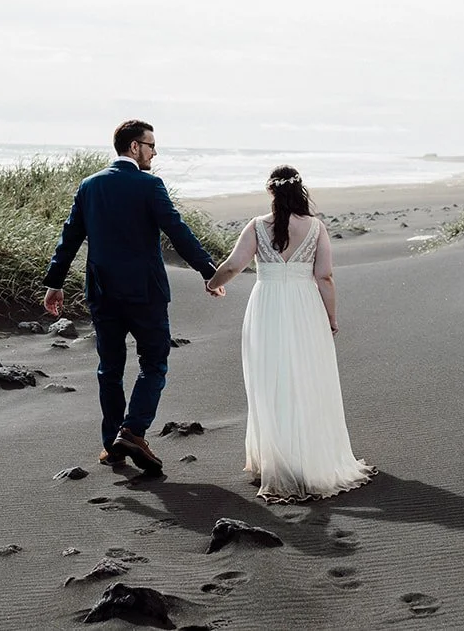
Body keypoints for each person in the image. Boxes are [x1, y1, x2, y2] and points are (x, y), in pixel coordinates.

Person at [43, 119, 222, 474]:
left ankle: (113, 446)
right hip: (145, 293)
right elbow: (178, 231)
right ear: (134, 147)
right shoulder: (149, 185)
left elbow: (70, 237)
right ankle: (133, 430)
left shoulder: (90, 186)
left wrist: (55, 282)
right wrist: (209, 272)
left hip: (103, 293)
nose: (155, 152)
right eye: (151, 145)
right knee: (154, 362)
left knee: (109, 369)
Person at [206, 165, 374, 503]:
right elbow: (325, 276)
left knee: (270, 382)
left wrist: (213, 284)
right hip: (304, 308)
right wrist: (331, 317)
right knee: (308, 379)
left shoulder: (256, 226)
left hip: (266, 307)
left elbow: (234, 265)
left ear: (271, 192)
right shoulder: (316, 227)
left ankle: (276, 459)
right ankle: (311, 461)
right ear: (300, 190)